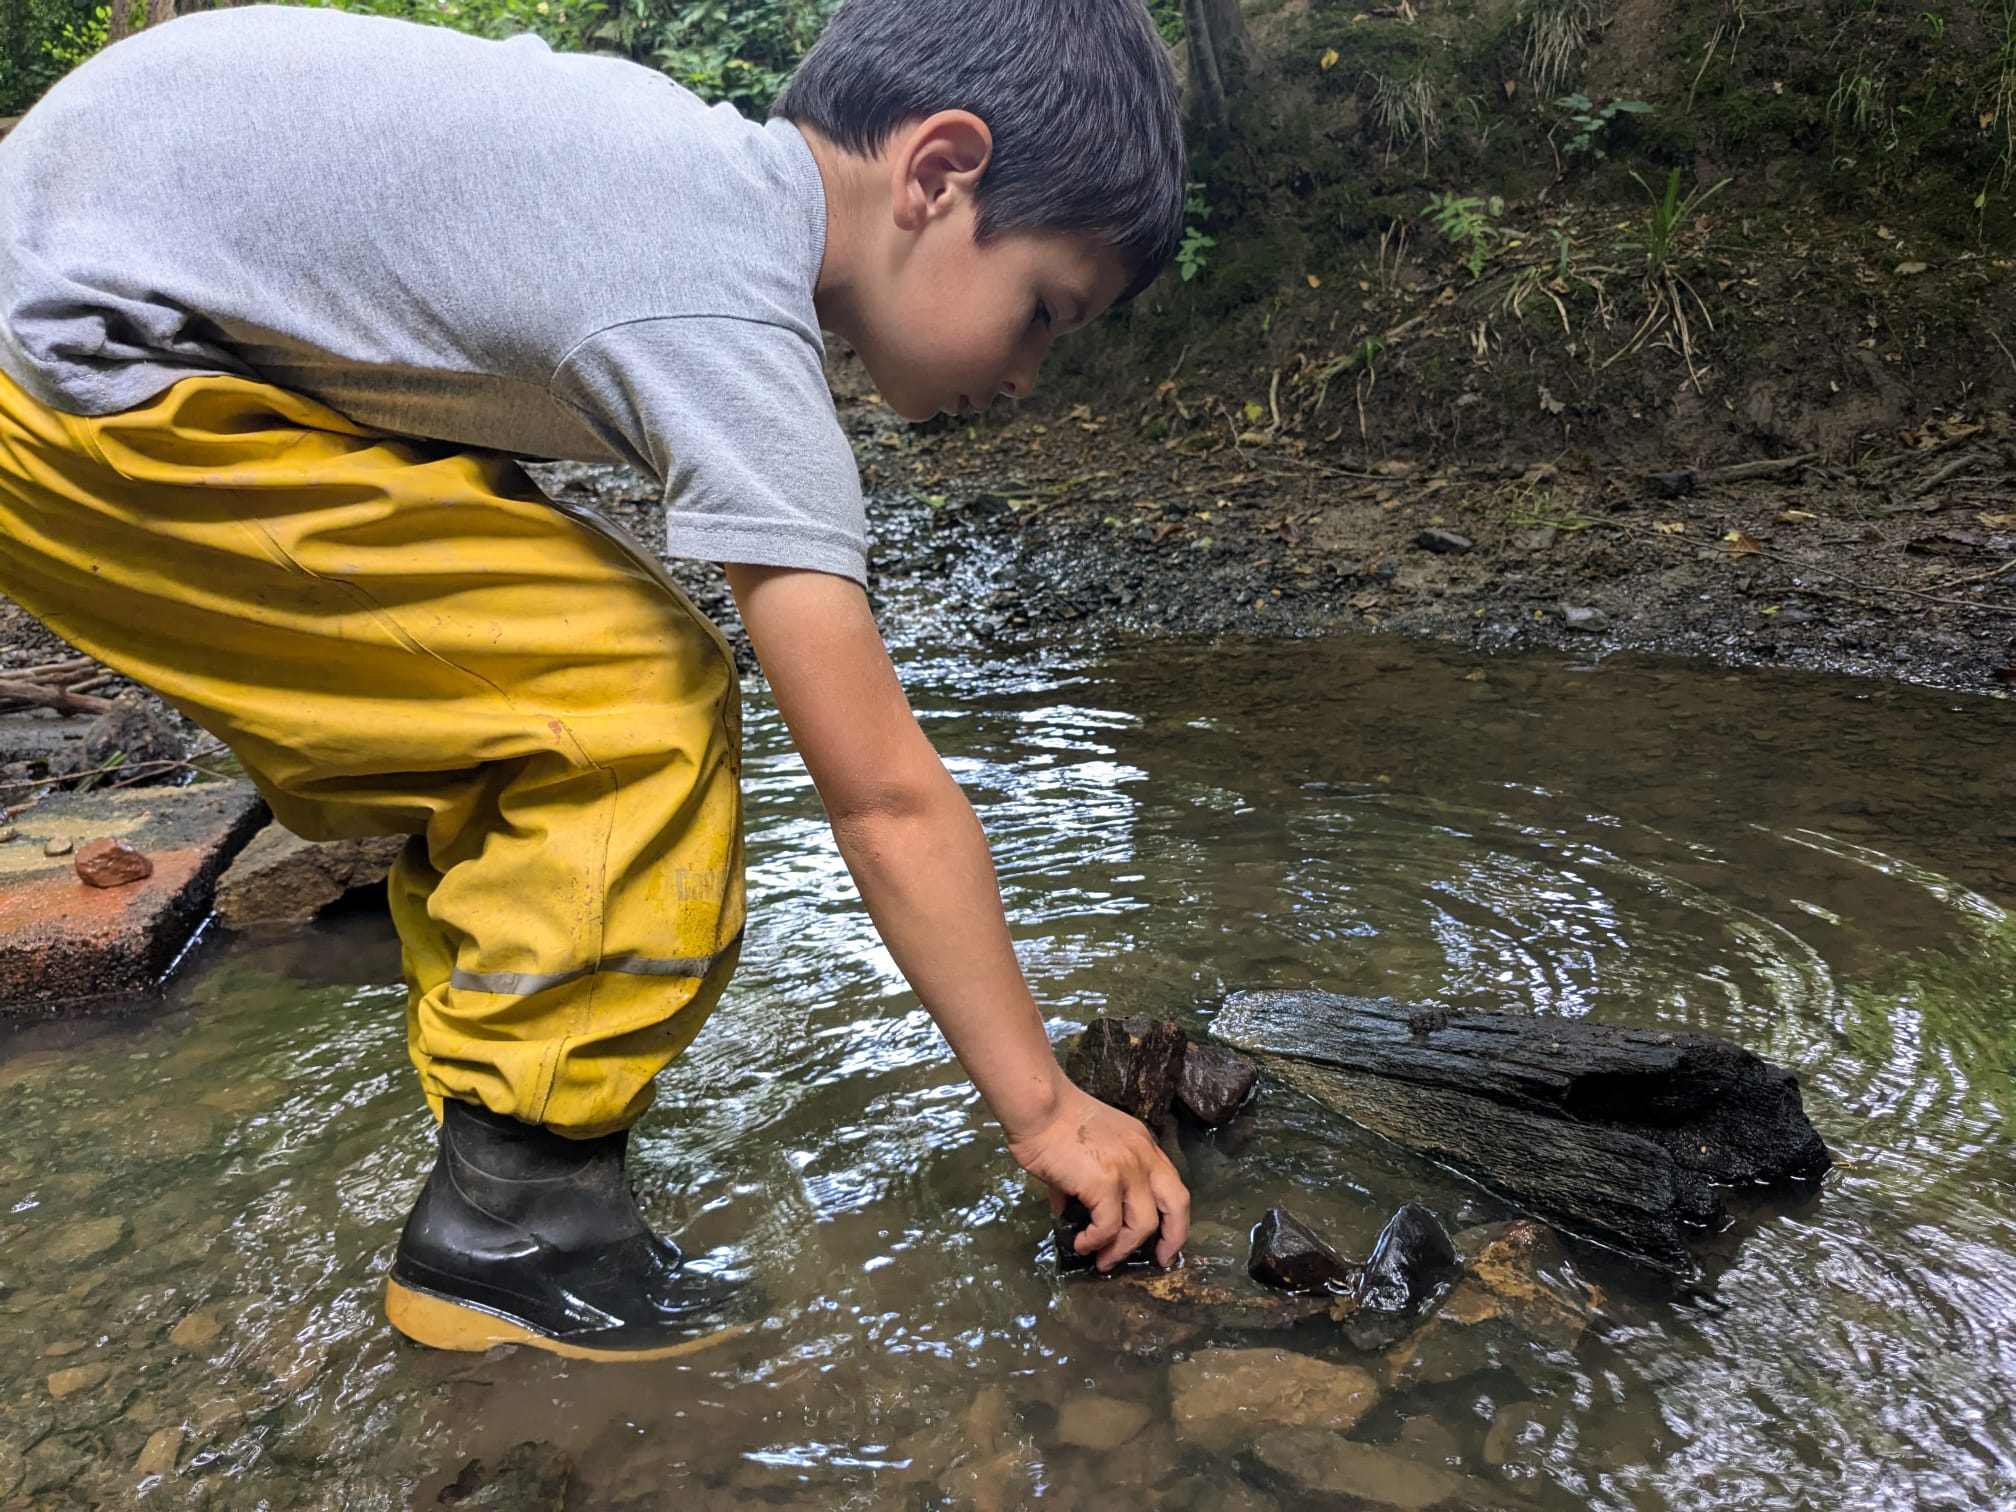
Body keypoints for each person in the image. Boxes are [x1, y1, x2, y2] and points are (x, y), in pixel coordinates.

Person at [0, 0, 1192, 1361]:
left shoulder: (665, 176)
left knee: (537, 661)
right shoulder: (721, 296)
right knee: (636, 703)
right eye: (1046, 311)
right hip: (82, 365)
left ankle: (495, 1120)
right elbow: (884, 800)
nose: (1033, 371)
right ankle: (516, 1229)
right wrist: (1044, 1109)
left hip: (98, 298)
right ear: (936, 172)